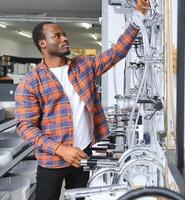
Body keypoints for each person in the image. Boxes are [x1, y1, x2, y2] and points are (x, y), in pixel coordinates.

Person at [15, 1, 148, 199]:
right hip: (52, 160)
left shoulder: (83, 66)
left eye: (64, 34)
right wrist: (60, 149)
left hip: (83, 154)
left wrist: (137, 19)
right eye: (57, 36)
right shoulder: (31, 83)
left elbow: (117, 52)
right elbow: (25, 126)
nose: (65, 38)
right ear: (43, 43)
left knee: (80, 197)